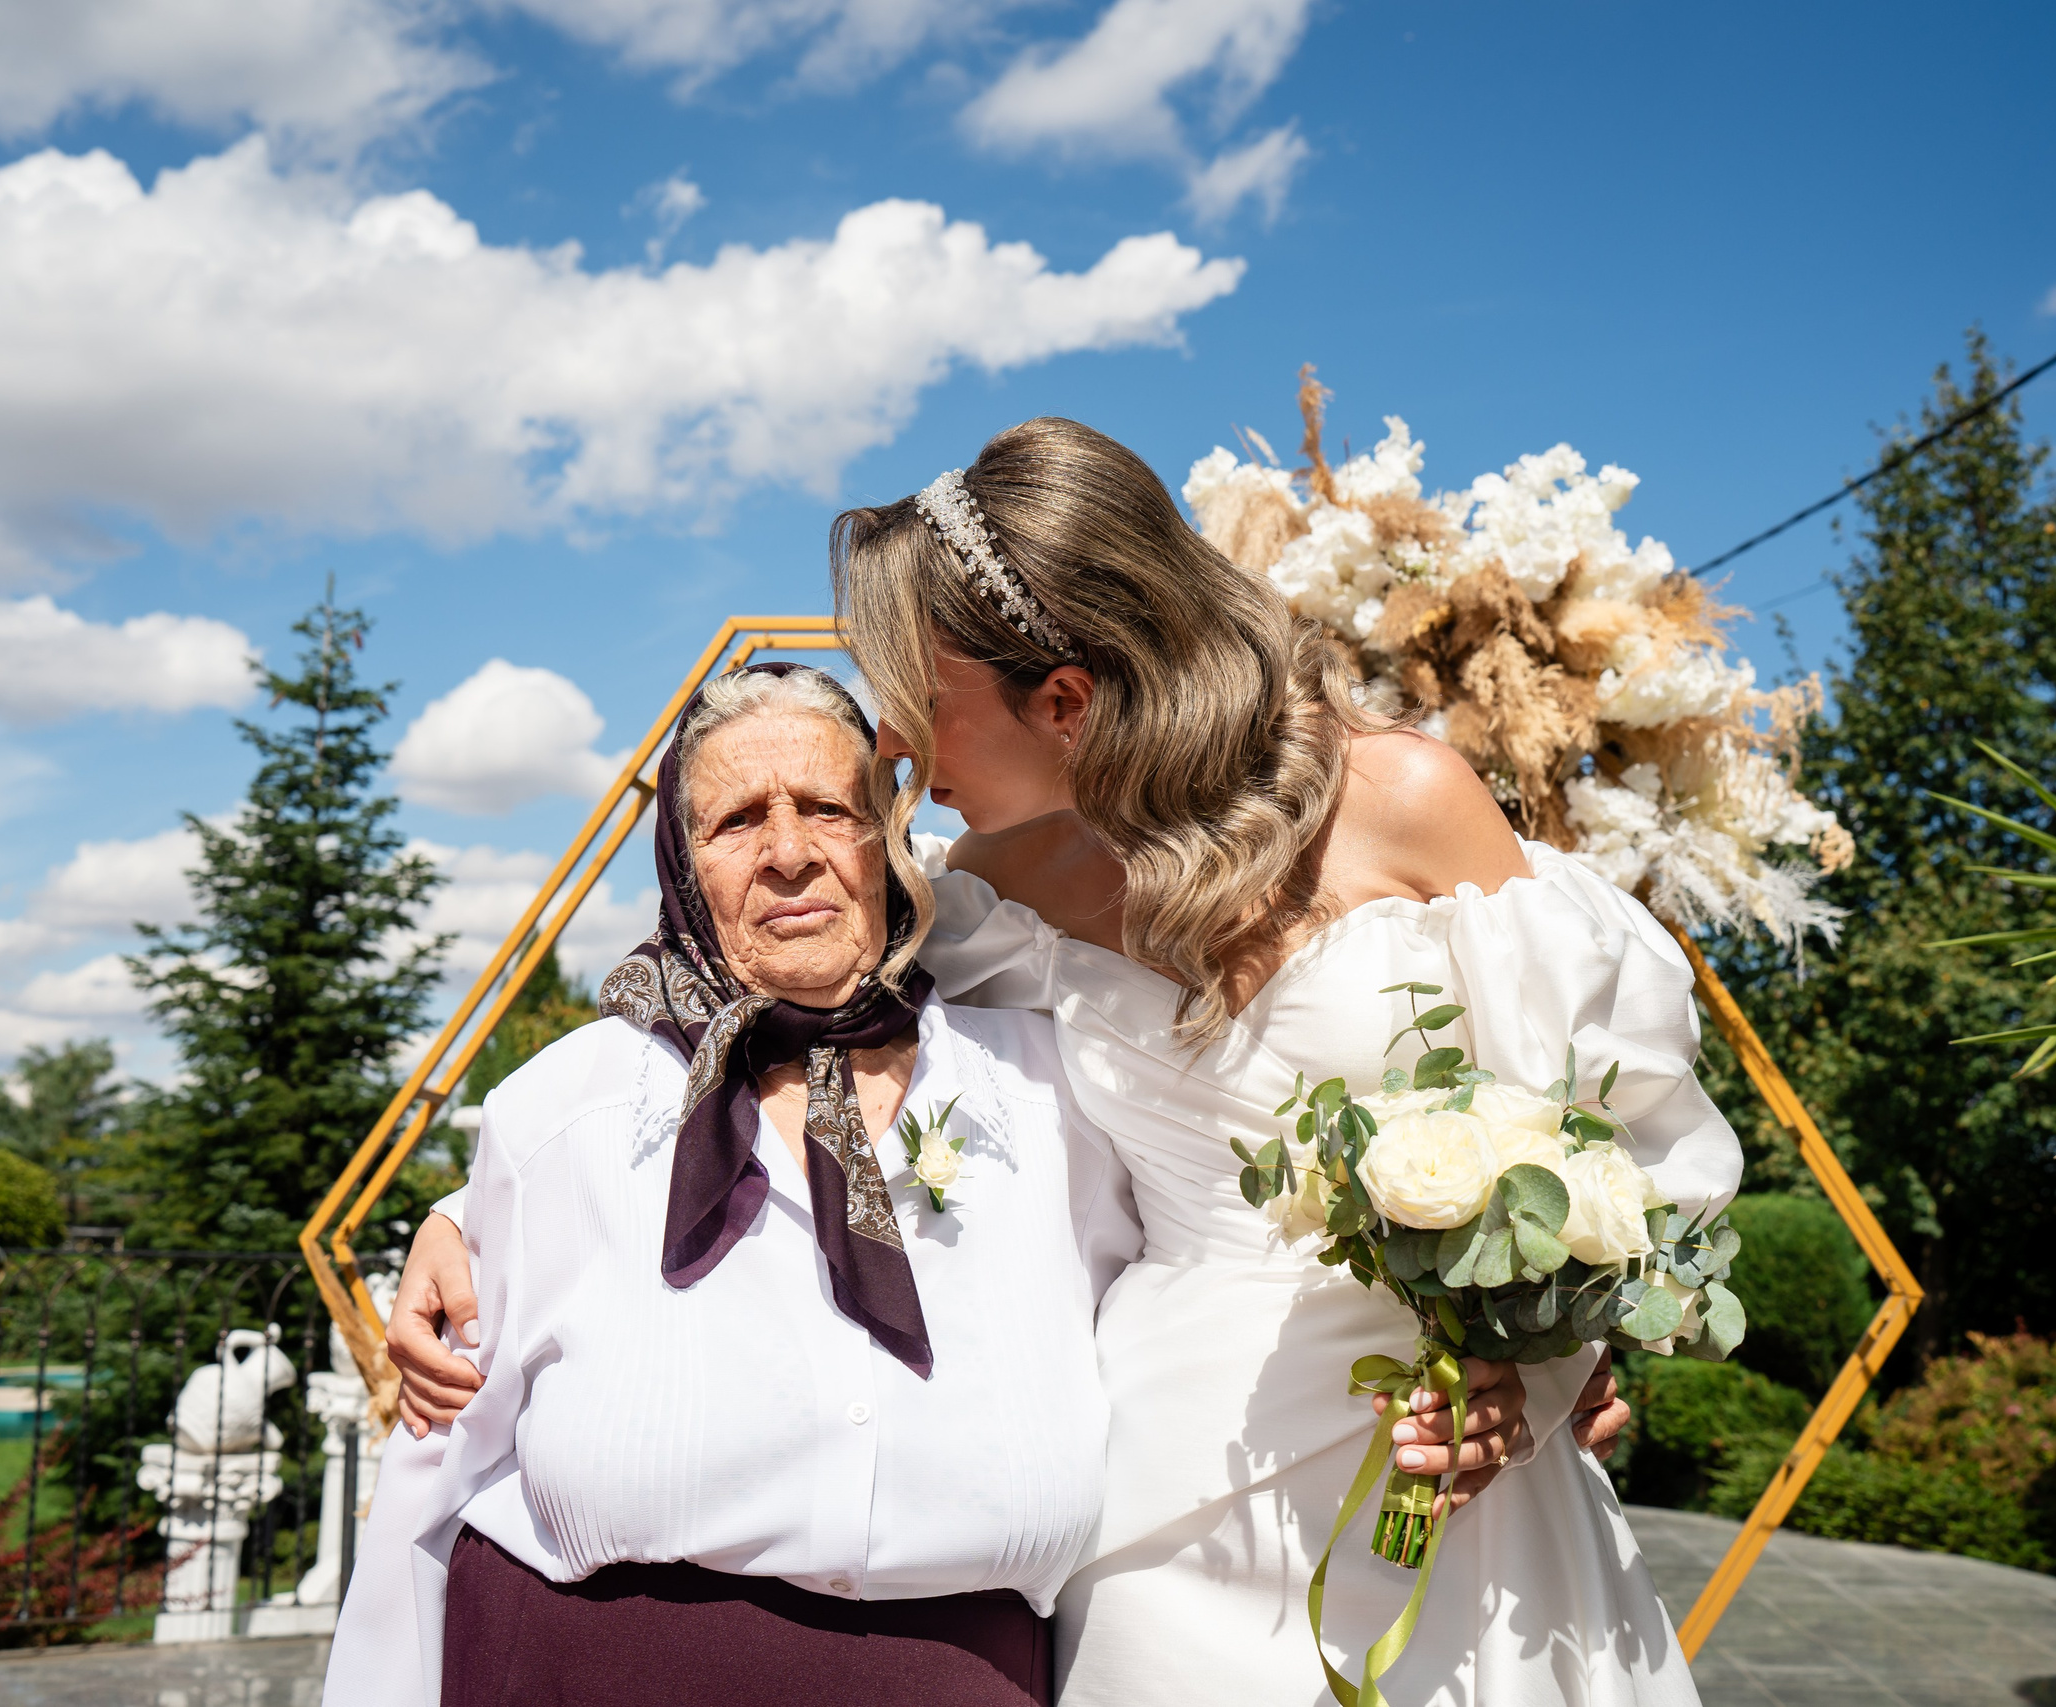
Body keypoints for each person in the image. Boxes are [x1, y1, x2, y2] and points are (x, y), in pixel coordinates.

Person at [393, 419, 1694, 1705]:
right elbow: (730, 1003)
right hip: (1169, 1487)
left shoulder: (1408, 801)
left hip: (1460, 1471)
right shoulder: (981, 898)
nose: (891, 743)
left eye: (917, 697)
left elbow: (1614, 1129)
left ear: (1063, 702)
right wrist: (469, 1214)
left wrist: (1538, 1360)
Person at [331, 664, 1166, 1705]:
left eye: (829, 808)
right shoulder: (566, 1110)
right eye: (735, 821)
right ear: (684, 864)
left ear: (889, 840)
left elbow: (1206, 1286)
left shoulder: (1054, 1091)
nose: (786, 853)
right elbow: (434, 1465)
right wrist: (459, 1215)